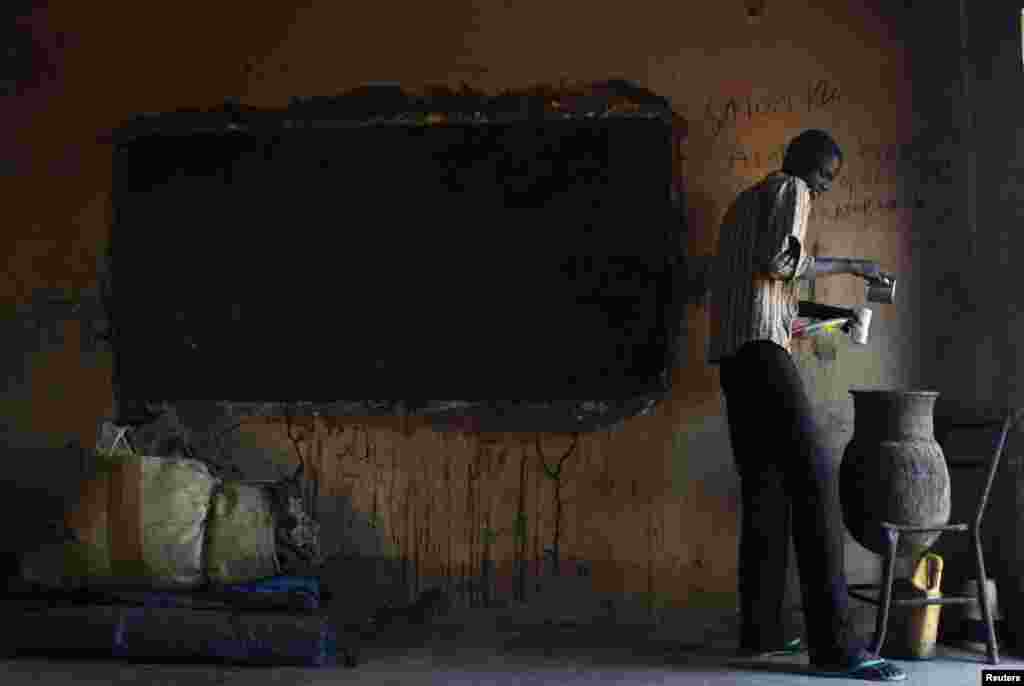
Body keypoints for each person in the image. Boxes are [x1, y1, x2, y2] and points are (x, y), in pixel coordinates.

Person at [708, 129, 905, 682]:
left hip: (735, 359)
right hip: (762, 355)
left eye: (828, 179)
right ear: (801, 163)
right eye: (824, 174)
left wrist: (837, 319)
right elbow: (779, 262)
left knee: (766, 492)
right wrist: (853, 265)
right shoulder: (789, 189)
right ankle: (836, 647)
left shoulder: (743, 206)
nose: (824, 186)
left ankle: (762, 633)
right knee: (816, 481)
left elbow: (773, 303)